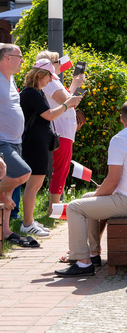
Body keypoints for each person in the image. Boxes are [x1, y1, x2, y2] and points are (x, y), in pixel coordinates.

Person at [56, 99, 127, 276]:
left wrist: (97, 195)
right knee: (88, 199)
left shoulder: (120, 139)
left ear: (121, 118)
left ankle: (83, 263)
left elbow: (113, 180)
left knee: (75, 208)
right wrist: (96, 195)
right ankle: (93, 254)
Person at [18, 60, 82, 238]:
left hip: (38, 141)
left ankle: (29, 221)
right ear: (40, 75)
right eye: (48, 77)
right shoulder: (31, 93)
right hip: (35, 142)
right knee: (34, 184)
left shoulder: (35, 92)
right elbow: (49, 115)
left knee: (35, 184)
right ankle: (27, 223)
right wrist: (67, 104)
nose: (49, 81)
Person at [36, 51, 86, 210]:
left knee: (62, 169)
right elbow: (69, 101)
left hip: (65, 130)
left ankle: (54, 207)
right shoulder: (50, 81)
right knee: (61, 169)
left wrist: (75, 84)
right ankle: (54, 207)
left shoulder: (54, 81)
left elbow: (71, 100)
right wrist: (76, 86)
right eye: (58, 60)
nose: (61, 63)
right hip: (60, 130)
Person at [0, 44, 31, 247]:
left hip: (15, 140)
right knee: (22, 173)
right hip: (2, 141)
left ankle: (5, 231)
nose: (22, 60)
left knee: (11, 188)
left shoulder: (11, 80)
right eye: (19, 56)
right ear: (6, 58)